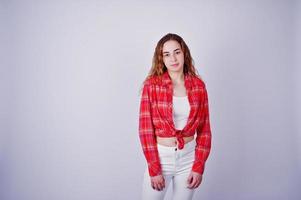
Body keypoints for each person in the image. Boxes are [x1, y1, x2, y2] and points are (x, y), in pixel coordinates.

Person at [138, 33, 212, 200]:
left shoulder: (199, 86)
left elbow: (205, 130)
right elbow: (145, 130)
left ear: (184, 53)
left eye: (177, 52)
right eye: (167, 54)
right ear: (161, 59)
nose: (173, 58)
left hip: (188, 160)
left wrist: (198, 166)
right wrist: (154, 168)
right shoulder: (152, 86)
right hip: (161, 158)